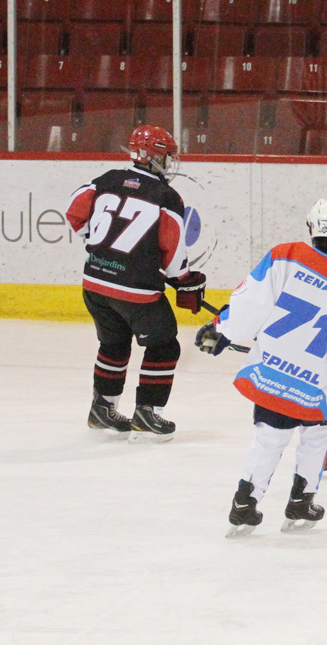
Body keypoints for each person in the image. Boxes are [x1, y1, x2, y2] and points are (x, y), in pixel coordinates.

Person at [197, 200, 327, 537]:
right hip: (317, 383)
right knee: (318, 437)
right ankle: (300, 502)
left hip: (273, 375)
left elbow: (249, 305)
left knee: (268, 439)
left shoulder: (285, 255)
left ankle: (243, 504)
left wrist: (223, 328)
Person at [65, 125, 206, 442]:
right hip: (136, 292)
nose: (169, 162)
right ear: (154, 156)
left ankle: (102, 407)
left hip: (95, 284)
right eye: (166, 156)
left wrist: (97, 241)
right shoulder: (166, 196)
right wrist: (184, 281)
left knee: (113, 343)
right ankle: (147, 412)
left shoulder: (106, 180)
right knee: (164, 345)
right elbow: (172, 255)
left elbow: (74, 211)